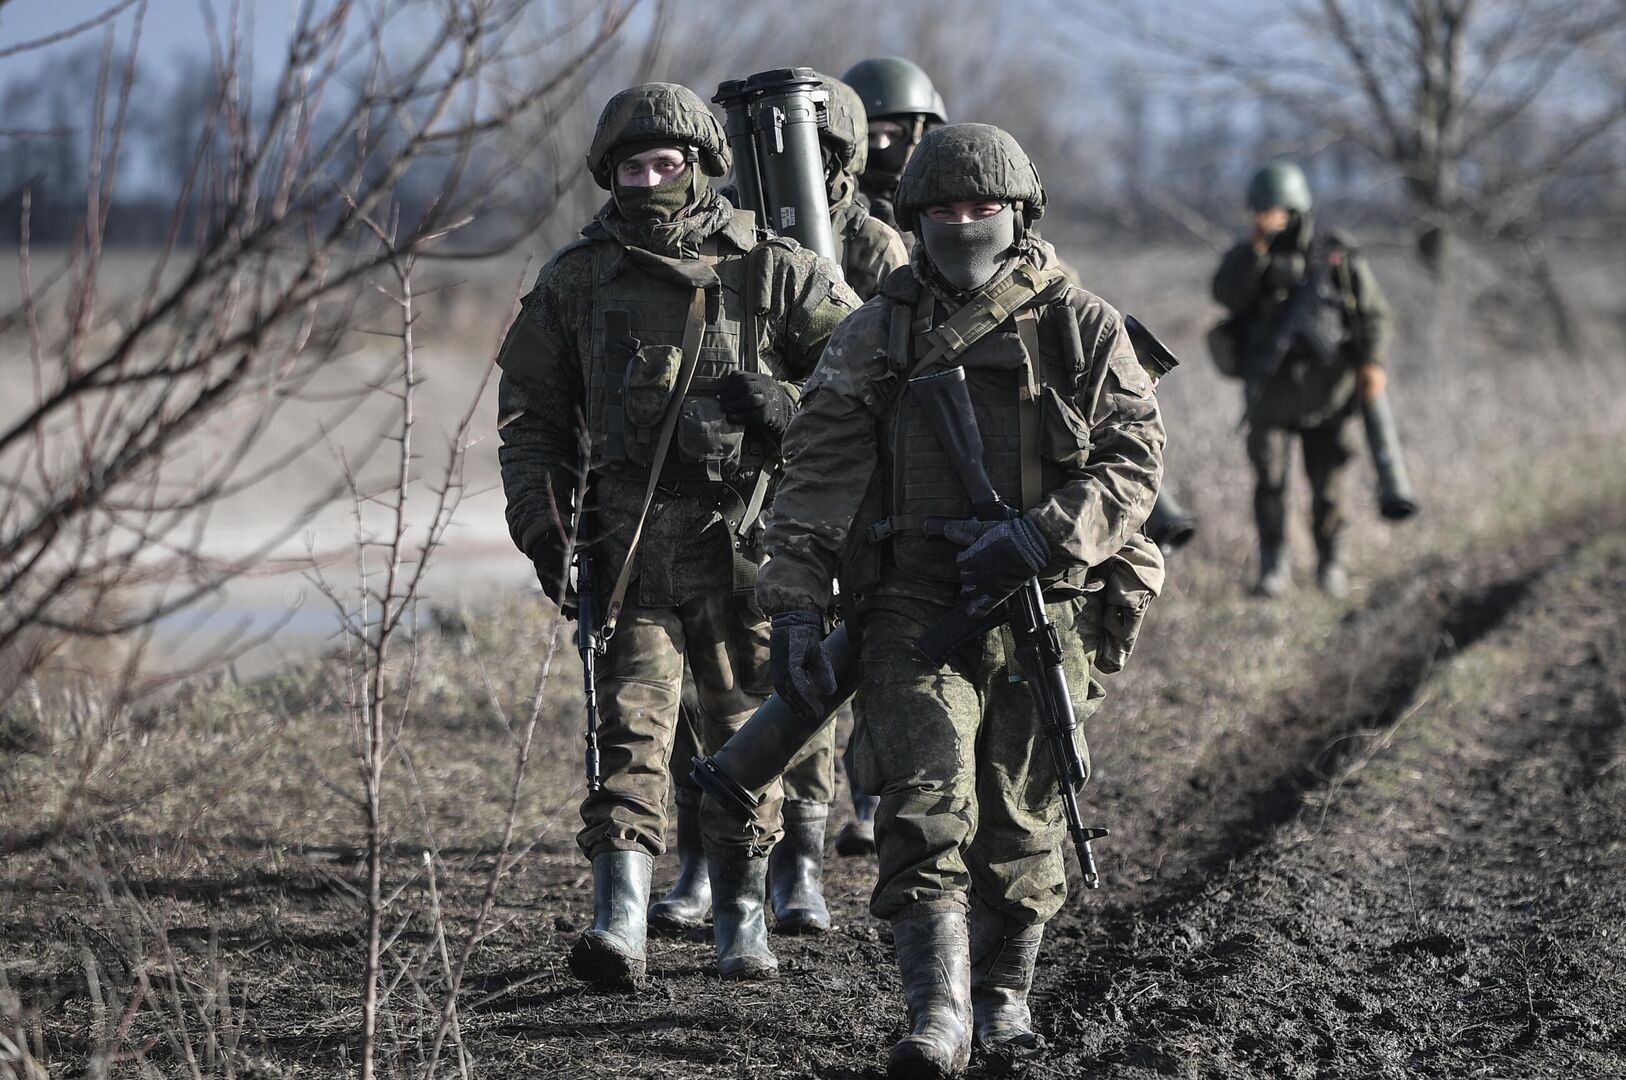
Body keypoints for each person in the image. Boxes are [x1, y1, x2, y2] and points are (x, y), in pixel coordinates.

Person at [754, 123, 1164, 1078]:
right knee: (924, 802)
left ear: (1021, 213)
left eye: (984, 209)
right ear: (916, 218)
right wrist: (799, 601)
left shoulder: (1081, 323)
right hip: (912, 602)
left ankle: (1004, 994)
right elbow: (817, 471)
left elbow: (1135, 463)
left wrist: (1043, 533)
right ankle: (937, 1012)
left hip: (1043, 603)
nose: (966, 224)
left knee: (1024, 819)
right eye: (944, 211)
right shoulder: (877, 328)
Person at [494, 82, 857, 988]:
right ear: (607, 174)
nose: (650, 179)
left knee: (744, 742)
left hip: (748, 556)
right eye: (632, 166)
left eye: (667, 163)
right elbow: (530, 422)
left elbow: (866, 383)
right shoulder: (576, 282)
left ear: (701, 166)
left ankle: (743, 918)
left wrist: (788, 405)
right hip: (626, 559)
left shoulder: (772, 269)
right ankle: (619, 923)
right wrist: (545, 530)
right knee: (627, 739)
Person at [755, 73, 911, 932]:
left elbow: (887, 380)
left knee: (852, 671)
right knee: (774, 673)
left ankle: (812, 852)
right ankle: (754, 861)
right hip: (763, 492)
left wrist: (791, 404)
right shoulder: (748, 241)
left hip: (858, 491)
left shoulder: (875, 246)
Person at [1210, 158, 1392, 598]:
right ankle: (1274, 567)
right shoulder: (1247, 255)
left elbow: (1372, 314)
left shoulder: (1335, 253)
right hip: (1270, 392)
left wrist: (1372, 364)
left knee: (1329, 485)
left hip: (1329, 391)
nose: (1264, 217)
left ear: (1294, 208)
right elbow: (1226, 296)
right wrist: (1255, 250)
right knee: (1269, 483)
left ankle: (1331, 564)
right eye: (1258, 210)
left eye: (1272, 209)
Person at [840, 56, 948, 231]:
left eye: (894, 134)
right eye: (870, 136)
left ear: (919, 132)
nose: (882, 145)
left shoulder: (945, 199)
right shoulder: (835, 200)